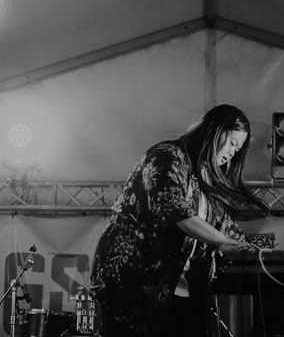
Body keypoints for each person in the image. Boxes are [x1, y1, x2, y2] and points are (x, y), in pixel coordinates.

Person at [89, 104, 269, 337]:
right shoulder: (167, 156)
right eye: (233, 143)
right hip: (134, 287)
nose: (233, 153)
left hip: (180, 289)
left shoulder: (206, 180)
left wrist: (257, 248)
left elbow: (224, 229)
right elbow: (171, 207)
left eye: (238, 149)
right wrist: (222, 241)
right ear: (216, 130)